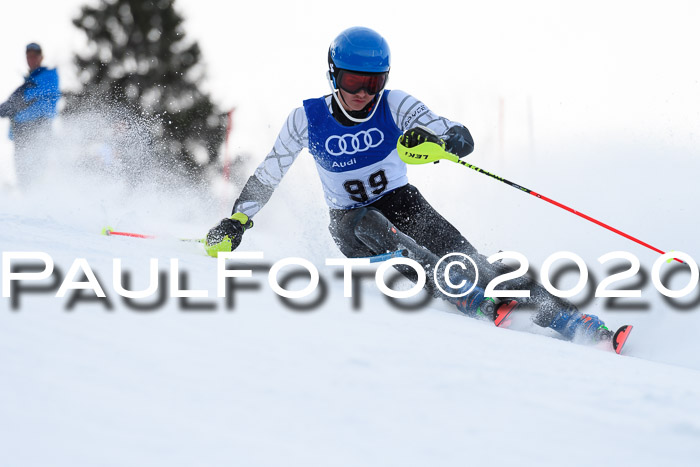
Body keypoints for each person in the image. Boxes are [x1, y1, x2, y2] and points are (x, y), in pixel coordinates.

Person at [205, 27, 617, 344]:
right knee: (374, 224)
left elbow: (457, 134)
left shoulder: (395, 103)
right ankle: (459, 291)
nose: (364, 94)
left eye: (373, 82)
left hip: (405, 203)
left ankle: (574, 322)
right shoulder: (307, 118)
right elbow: (269, 173)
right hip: (352, 222)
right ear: (333, 74)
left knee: (480, 264)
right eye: (353, 82)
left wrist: (445, 141)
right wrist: (238, 221)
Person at [0, 43, 61, 187]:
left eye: (34, 56)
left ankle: (40, 202)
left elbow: (28, 96)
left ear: (41, 57)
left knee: (36, 170)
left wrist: (10, 105)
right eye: (29, 56)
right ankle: (29, 203)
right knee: (23, 173)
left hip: (37, 128)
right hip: (21, 132)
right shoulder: (30, 80)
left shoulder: (48, 76)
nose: (31, 59)